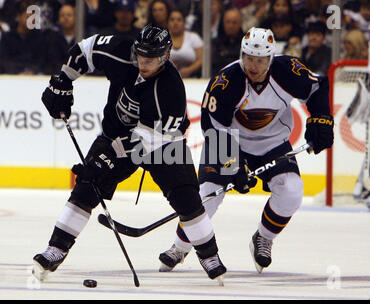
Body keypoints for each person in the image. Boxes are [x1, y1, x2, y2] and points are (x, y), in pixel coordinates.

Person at [32, 24, 227, 282]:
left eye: (152, 58)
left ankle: (209, 254)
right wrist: (63, 81)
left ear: (166, 56)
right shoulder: (121, 50)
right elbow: (84, 50)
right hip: (115, 132)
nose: (144, 62)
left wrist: (106, 159)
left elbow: (145, 142)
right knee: (87, 186)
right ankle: (55, 249)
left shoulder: (170, 89)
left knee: (187, 198)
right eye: (140, 55)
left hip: (164, 145)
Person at [159, 27, 334, 274]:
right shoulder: (226, 81)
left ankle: (263, 238)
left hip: (272, 144)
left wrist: (322, 118)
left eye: (260, 60)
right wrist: (233, 162)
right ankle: (180, 246)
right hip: (229, 143)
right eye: (248, 57)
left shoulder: (288, 71)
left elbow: (318, 87)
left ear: (270, 58)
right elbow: (213, 126)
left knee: (292, 191)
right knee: (207, 195)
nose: (253, 65)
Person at [168, 9, 203, 78]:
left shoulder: (194, 37)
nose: (175, 23)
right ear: (168, 23)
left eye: (179, 20)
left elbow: (201, 59)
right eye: (172, 20)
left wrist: (189, 70)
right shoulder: (162, 39)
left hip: (192, 77)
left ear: (184, 23)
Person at [211, 7, 244, 76]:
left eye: (234, 22)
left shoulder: (246, 43)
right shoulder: (215, 43)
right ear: (223, 23)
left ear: (240, 23)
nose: (231, 26)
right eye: (228, 22)